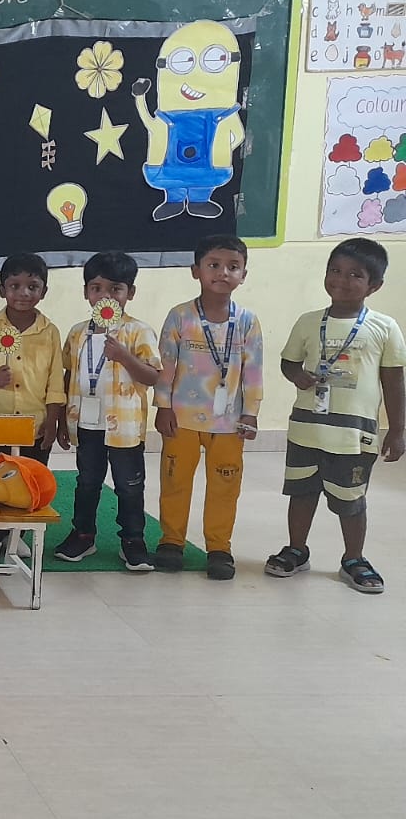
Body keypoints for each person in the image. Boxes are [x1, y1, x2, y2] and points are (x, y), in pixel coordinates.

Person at [267, 238, 405, 594]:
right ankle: (296, 549)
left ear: (374, 285)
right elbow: (289, 362)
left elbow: (393, 381)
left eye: (355, 275)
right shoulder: (309, 322)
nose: (342, 280)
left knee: (351, 499)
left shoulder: (385, 327)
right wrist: (297, 376)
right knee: (301, 492)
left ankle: (354, 558)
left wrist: (398, 430)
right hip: (306, 430)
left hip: (353, 435)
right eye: (335, 270)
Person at [153, 235, 264, 580]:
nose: (222, 273)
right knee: (175, 480)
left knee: (224, 485)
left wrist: (251, 412)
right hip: (181, 419)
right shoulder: (180, 317)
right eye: (214, 265)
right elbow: (166, 365)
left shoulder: (247, 321)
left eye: (233, 267)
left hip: (229, 423)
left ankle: (219, 547)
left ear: (243, 275)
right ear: (195, 271)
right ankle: (172, 541)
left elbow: (254, 370)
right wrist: (163, 406)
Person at [54, 252, 161, 571]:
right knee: (87, 481)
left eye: (116, 289)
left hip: (124, 427)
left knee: (129, 485)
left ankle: (133, 540)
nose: (105, 296)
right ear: (86, 292)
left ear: (130, 293)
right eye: (97, 288)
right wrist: (63, 419)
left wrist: (124, 356)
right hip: (86, 423)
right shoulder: (77, 333)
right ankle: (83, 535)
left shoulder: (139, 331)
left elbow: (153, 376)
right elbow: (69, 374)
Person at [0, 254, 65, 561]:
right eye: (15, 286)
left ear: (43, 291)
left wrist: (52, 421)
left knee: (29, 480)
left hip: (34, 422)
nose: (23, 293)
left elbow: (55, 380)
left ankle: (17, 535)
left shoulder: (50, 332)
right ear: (2, 290)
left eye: (32, 286)